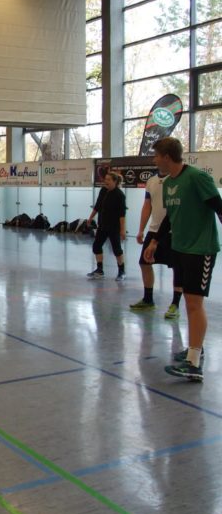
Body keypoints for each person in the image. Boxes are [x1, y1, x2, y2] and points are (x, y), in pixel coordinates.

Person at [144, 137, 222, 382]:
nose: (155, 160)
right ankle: (195, 348)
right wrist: (154, 242)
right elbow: (170, 216)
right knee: (190, 302)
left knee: (194, 303)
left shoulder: (197, 178)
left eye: (156, 156)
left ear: (167, 157)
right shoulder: (168, 183)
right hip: (180, 248)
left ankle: (193, 364)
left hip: (200, 249)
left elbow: (219, 207)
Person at [129, 171, 182, 318]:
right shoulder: (151, 181)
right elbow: (147, 206)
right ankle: (148, 299)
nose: (155, 160)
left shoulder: (177, 179)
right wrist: (141, 229)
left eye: (157, 158)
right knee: (144, 262)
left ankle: (175, 304)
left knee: (177, 267)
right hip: (154, 230)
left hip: (174, 231)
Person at [86, 171, 127, 281]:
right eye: (105, 179)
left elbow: (122, 215)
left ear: (115, 181)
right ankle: (100, 270)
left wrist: (123, 230)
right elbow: (97, 206)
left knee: (116, 249)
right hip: (102, 225)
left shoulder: (120, 195)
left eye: (109, 180)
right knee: (96, 246)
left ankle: (121, 271)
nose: (106, 181)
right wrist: (90, 218)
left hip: (114, 227)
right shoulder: (103, 190)